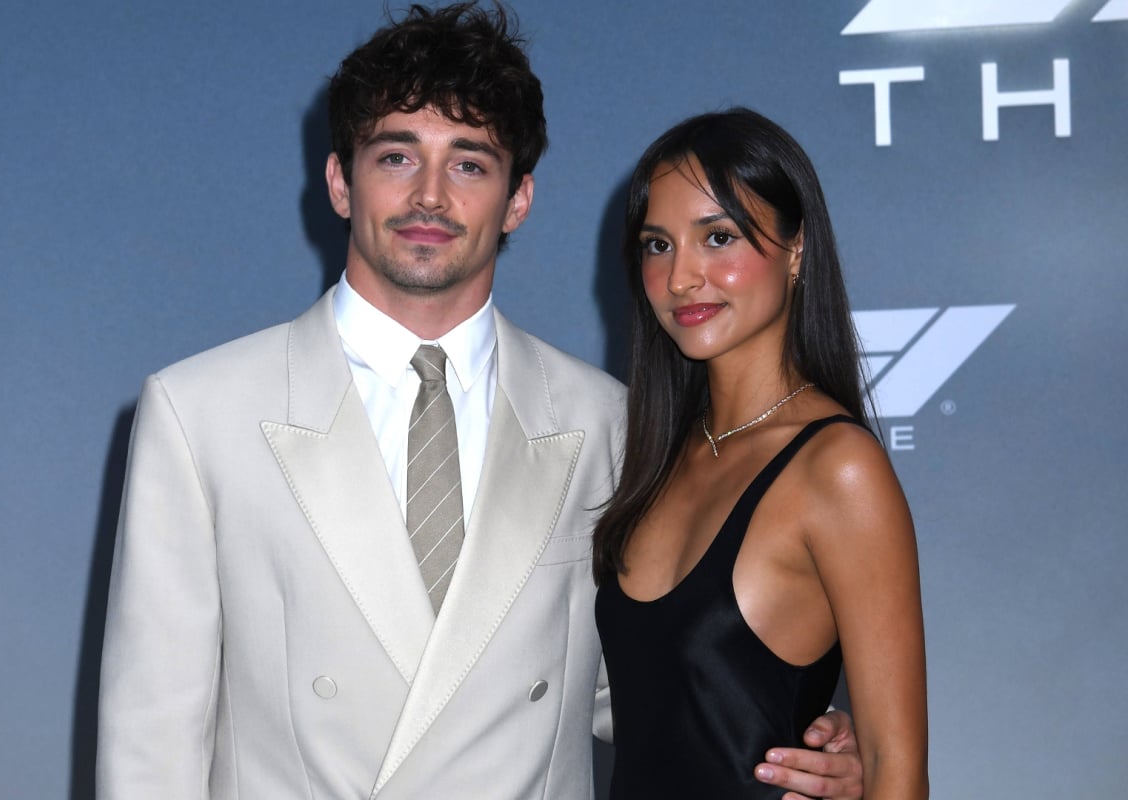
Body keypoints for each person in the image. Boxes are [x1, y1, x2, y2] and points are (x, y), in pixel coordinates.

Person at [96, 5, 863, 798]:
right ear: (340, 182)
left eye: (468, 164)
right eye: (397, 157)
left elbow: (642, 685)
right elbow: (151, 742)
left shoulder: (605, 422)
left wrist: (795, 736)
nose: (429, 196)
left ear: (519, 199)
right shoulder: (201, 415)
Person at [593, 109, 928, 798]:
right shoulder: (653, 457)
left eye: (718, 237)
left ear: (796, 249)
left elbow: (897, 771)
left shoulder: (837, 469)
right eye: (657, 245)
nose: (681, 277)